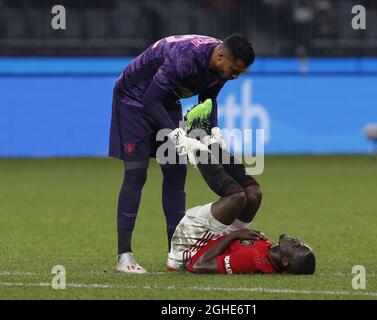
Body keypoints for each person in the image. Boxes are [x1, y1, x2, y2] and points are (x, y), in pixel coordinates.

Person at [108, 34, 255, 273]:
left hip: (164, 100)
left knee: (176, 172)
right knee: (136, 174)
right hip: (133, 100)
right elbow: (150, 100)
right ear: (220, 57)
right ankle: (124, 256)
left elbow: (208, 99)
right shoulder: (184, 58)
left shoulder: (222, 63)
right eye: (234, 71)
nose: (234, 76)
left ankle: (175, 251)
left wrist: (213, 129)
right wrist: (178, 136)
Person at [167, 125, 315, 274]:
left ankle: (188, 146)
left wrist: (235, 235)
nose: (297, 241)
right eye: (302, 243)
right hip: (217, 238)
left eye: (297, 247)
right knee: (254, 194)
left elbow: (200, 265)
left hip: (190, 247)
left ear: (285, 261)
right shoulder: (272, 253)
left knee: (237, 197)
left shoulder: (251, 260)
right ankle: (212, 145)